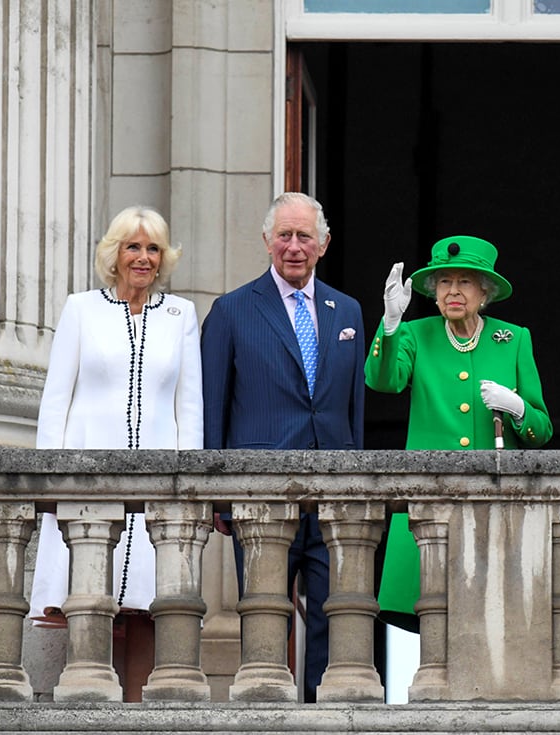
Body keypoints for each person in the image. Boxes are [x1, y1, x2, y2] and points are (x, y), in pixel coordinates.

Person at [31, 205, 203, 701]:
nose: (143, 258)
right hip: (87, 482)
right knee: (87, 605)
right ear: (115, 253)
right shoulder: (81, 309)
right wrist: (50, 481)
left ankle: (138, 719)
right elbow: (55, 401)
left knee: (149, 607)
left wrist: (188, 489)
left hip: (157, 488)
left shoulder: (181, 315)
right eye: (133, 246)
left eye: (153, 248)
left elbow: (189, 407)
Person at [200, 192, 366, 703]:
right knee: (265, 613)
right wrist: (219, 493)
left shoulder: (349, 311)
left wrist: (355, 483)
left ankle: (322, 713)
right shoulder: (230, 311)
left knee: (335, 615)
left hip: (334, 493)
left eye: (305, 237)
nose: (294, 247)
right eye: (285, 236)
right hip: (260, 493)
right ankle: (266, 711)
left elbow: (352, 407)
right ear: (267, 240)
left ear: (324, 244)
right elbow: (214, 408)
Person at [366, 235, 552, 628]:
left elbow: (542, 430)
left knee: (494, 620)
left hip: (494, 502)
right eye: (444, 282)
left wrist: (517, 408)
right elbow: (383, 381)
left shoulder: (514, 339)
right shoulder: (416, 334)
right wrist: (391, 324)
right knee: (433, 616)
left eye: (464, 282)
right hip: (430, 500)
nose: (453, 291)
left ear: (485, 292)